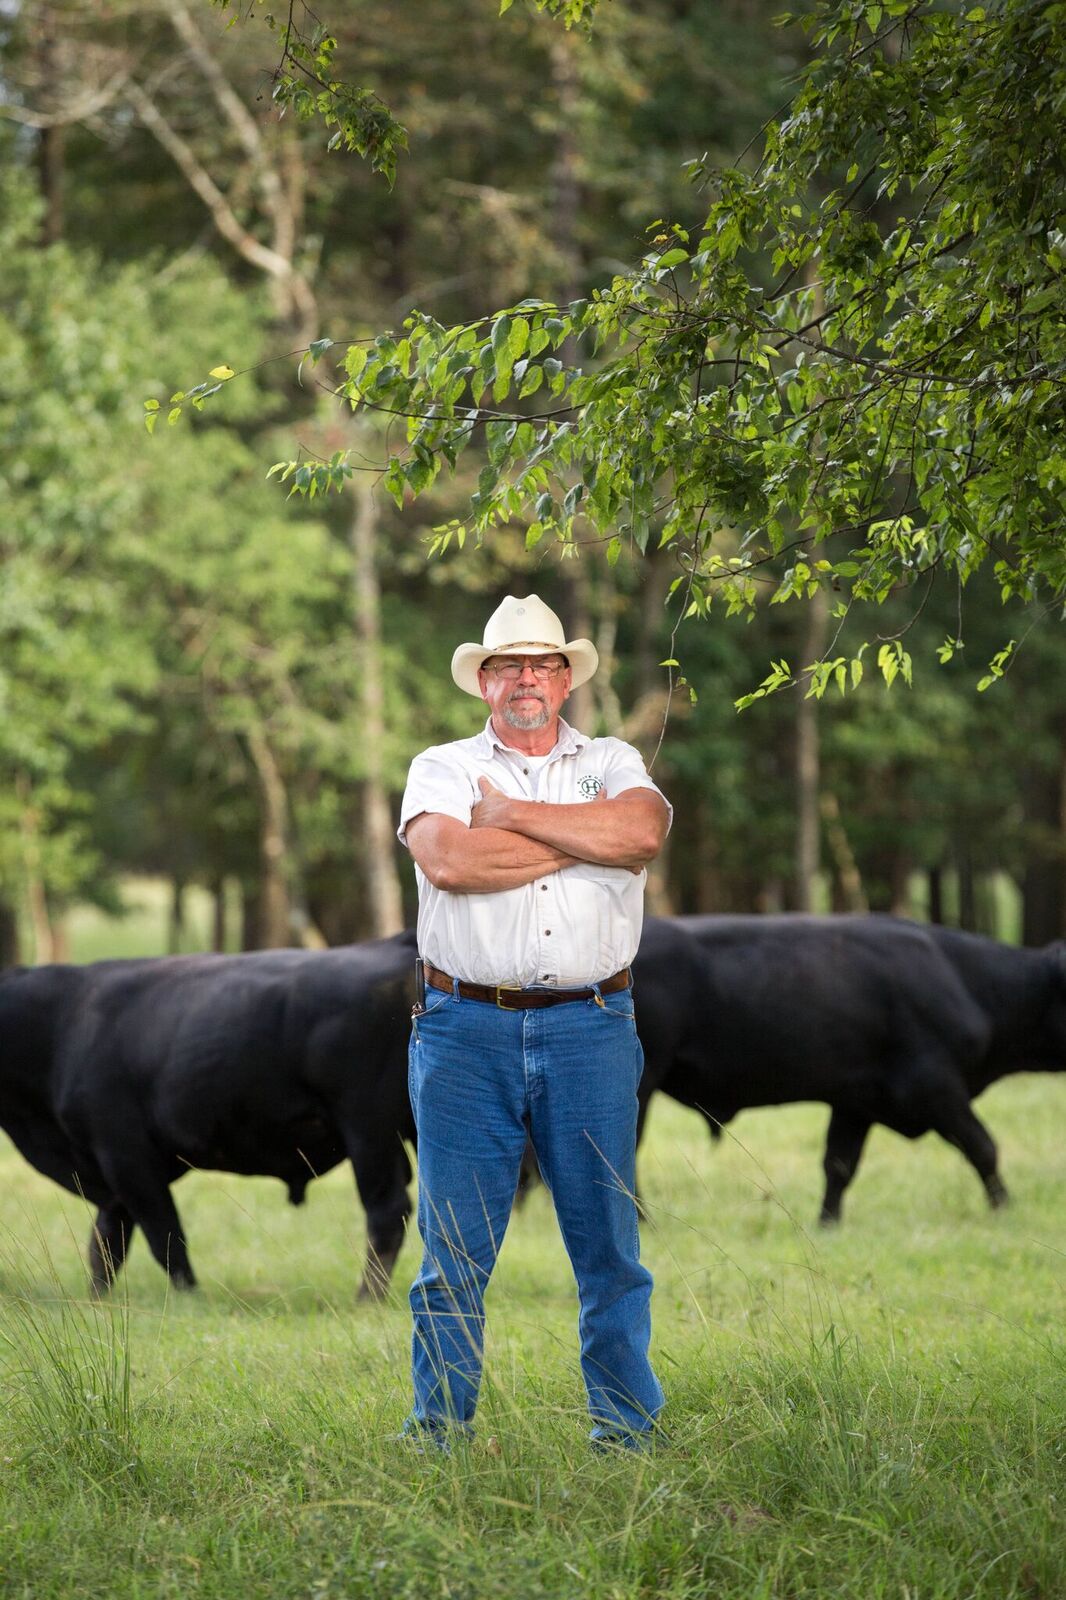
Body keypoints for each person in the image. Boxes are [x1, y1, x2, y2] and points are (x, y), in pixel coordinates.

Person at [396, 593, 671, 1452]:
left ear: (566, 679)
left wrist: (510, 816)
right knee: (454, 1255)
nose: (527, 678)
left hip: (591, 1025)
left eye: (543, 663)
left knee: (610, 1251)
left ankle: (624, 1434)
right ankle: (439, 1433)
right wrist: (590, 840)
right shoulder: (440, 765)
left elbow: (644, 830)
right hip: (463, 1029)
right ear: (484, 681)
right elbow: (449, 861)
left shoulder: (614, 758)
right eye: (508, 664)